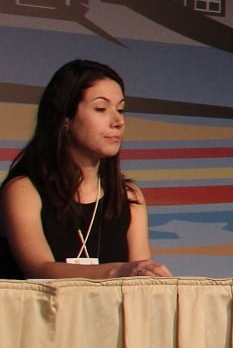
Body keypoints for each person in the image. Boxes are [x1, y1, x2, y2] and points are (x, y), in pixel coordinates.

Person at [0, 60, 171, 279]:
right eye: (101, 109)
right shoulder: (24, 190)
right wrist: (118, 270)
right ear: (65, 119)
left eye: (120, 109)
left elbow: (140, 280)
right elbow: (39, 270)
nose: (118, 121)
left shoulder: (129, 197)